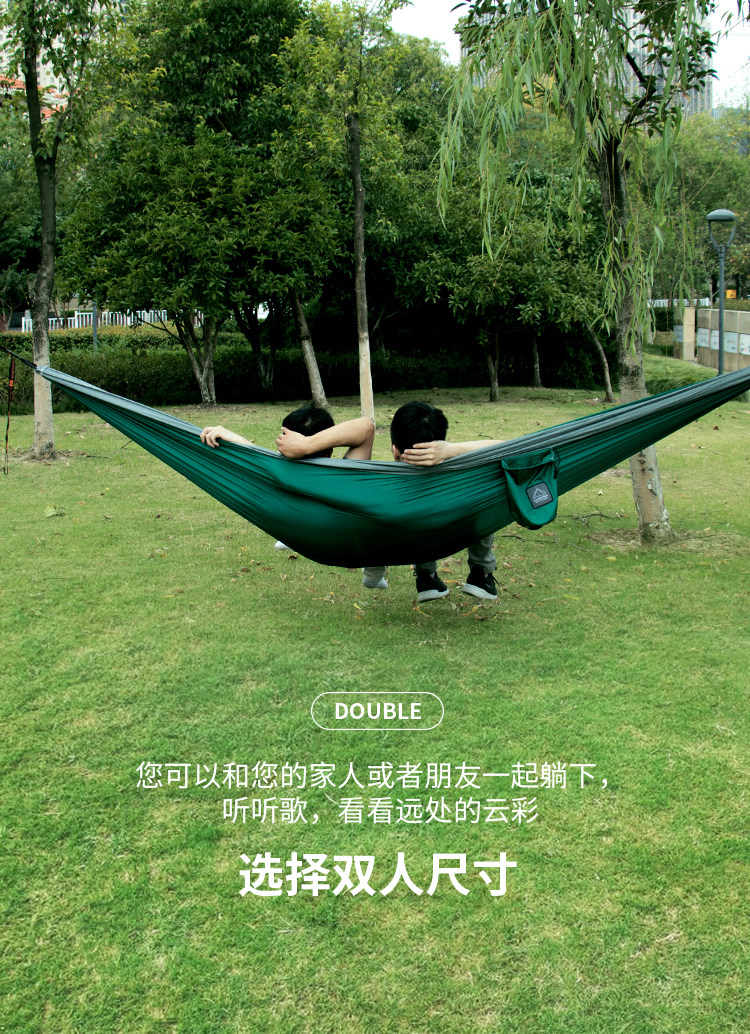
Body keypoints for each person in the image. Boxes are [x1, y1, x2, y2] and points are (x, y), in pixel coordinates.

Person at [276, 399, 503, 603]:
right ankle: (480, 574)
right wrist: (451, 450)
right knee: (482, 495)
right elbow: (511, 449)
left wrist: (305, 445)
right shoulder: (459, 480)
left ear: (395, 450)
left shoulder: (378, 489)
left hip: (397, 539)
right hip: (453, 529)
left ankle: (426, 576)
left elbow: (365, 427)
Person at [201, 403, 375, 554]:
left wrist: (305, 445)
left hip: (298, 525)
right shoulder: (346, 479)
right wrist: (310, 445)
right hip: (343, 538)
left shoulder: (277, 473)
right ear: (329, 452)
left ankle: (294, 534)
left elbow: (255, 456)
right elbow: (366, 427)